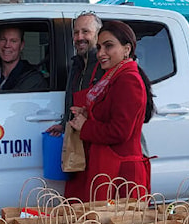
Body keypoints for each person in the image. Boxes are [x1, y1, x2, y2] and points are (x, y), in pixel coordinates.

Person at [63, 20, 155, 202]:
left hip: (120, 174)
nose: (101, 53)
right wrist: (87, 113)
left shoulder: (128, 80)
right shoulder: (114, 76)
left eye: (108, 46)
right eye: (99, 47)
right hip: (108, 168)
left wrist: (85, 125)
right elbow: (110, 115)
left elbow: (119, 132)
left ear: (127, 49)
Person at [46, 11, 104, 137]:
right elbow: (71, 103)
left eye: (85, 31)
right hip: (81, 136)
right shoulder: (76, 66)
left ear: (98, 35)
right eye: (76, 32)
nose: (79, 37)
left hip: (99, 138)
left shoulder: (105, 65)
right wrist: (64, 124)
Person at [0, 26, 46, 92]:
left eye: (13, 41)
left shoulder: (33, 78)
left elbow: (20, 102)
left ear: (22, 45)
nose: (7, 45)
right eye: (3, 39)